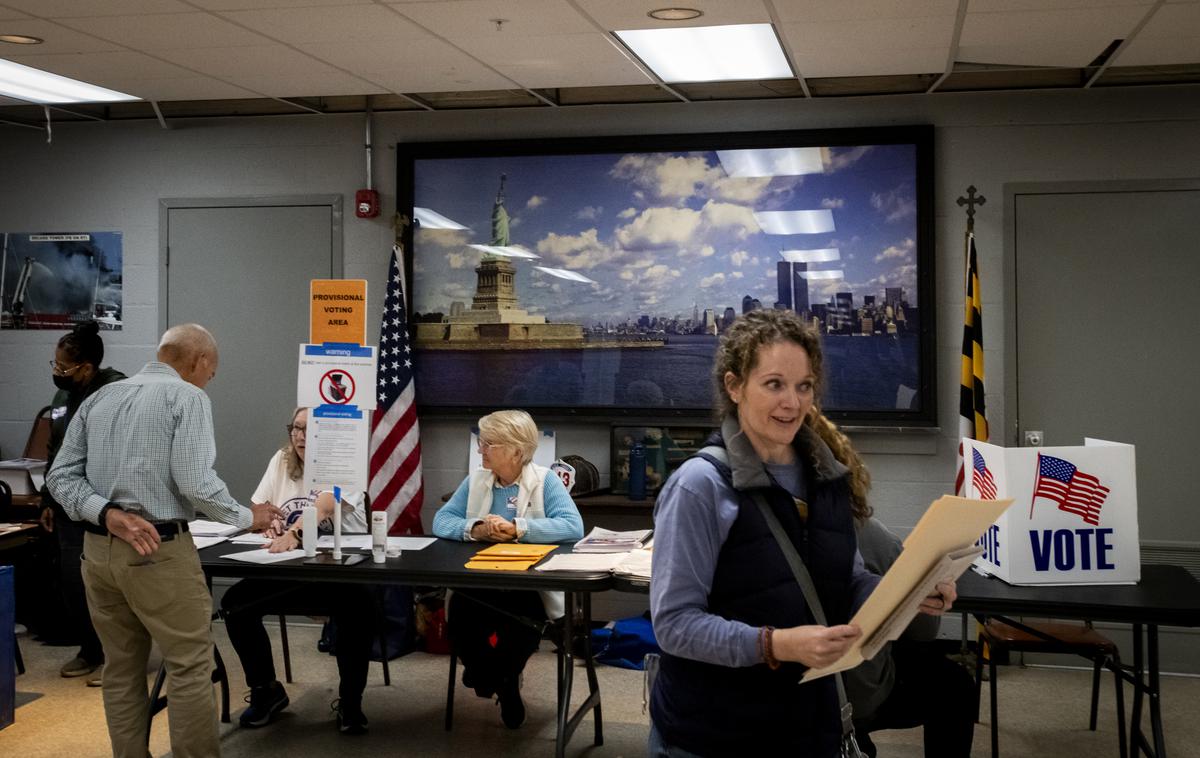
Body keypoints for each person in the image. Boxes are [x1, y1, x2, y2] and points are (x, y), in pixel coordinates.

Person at [648, 309, 957, 757]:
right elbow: (674, 625)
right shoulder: (700, 486)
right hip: (715, 733)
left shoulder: (827, 477)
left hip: (809, 724)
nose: (792, 402)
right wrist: (775, 644)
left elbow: (847, 581)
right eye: (774, 384)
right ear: (735, 387)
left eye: (804, 386)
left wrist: (907, 593)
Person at [46, 323, 283, 758]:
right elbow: (195, 482)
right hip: (157, 552)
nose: (210, 379)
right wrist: (247, 517)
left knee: (120, 668)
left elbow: (59, 477)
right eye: (212, 372)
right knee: (189, 666)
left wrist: (108, 513)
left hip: (98, 554)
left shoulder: (100, 397)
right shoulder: (188, 397)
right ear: (201, 362)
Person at [219, 407, 374, 735]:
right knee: (235, 603)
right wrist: (260, 522)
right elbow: (260, 508)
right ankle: (266, 690)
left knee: (359, 608)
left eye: (310, 429)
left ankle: (350, 701)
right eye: (296, 428)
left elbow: (323, 507)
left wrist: (293, 533)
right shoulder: (281, 460)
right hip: (286, 571)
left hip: (340, 573)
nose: (301, 436)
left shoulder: (345, 463)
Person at [432, 409, 584, 729]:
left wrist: (519, 529)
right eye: (481, 442)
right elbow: (441, 521)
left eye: (488, 443)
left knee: (520, 631)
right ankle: (499, 681)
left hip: (525, 584)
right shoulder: (476, 480)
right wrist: (475, 529)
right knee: (460, 620)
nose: (480, 449)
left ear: (516, 449)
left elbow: (573, 527)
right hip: (478, 580)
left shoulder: (545, 481)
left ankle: (503, 682)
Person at [37, 320, 126, 684]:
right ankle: (90, 651)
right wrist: (48, 498)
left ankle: (119, 659)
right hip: (66, 504)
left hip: (106, 504)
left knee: (111, 587)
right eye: (54, 365)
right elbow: (55, 449)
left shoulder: (117, 391)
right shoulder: (62, 397)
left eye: (62, 367)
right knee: (74, 582)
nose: (56, 372)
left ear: (86, 367)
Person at [845, 517, 976, 758]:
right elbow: (924, 632)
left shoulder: (766, 540)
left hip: (784, 696)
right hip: (863, 694)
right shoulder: (873, 535)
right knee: (955, 686)